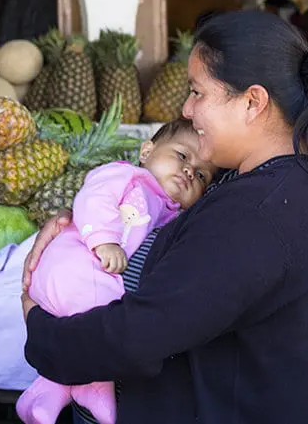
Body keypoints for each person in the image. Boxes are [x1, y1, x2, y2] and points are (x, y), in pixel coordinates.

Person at [20, 10, 308, 424]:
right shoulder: (275, 181)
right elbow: (172, 237)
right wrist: (82, 224)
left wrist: (38, 325)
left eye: (198, 93)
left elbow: (140, 335)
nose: (187, 110)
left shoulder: (260, 215)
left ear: (253, 102)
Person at [16, 118, 216, 424]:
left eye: (202, 174)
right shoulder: (127, 176)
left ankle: (50, 395)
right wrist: (104, 241)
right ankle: (93, 387)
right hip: (75, 266)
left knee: (101, 325)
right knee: (108, 318)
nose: (190, 171)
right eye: (182, 156)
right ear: (147, 151)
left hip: (88, 277)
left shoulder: (170, 214)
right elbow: (94, 199)